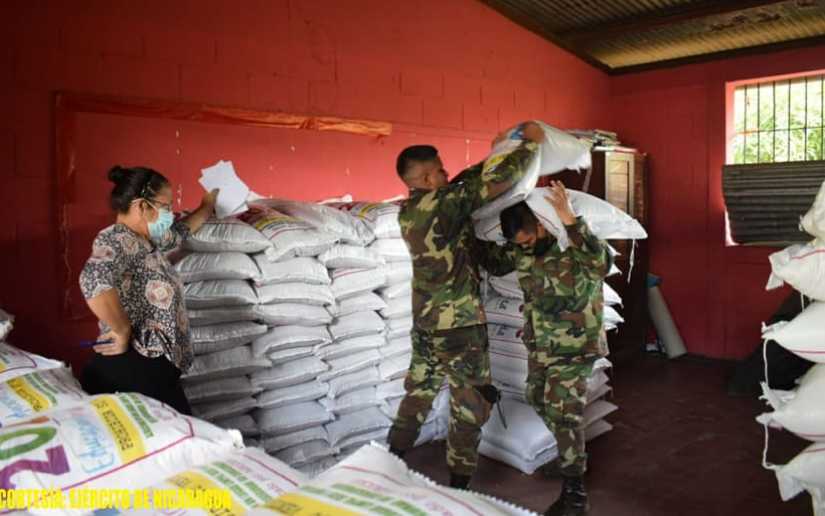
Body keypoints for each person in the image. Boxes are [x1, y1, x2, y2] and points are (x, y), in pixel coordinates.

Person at [387, 121, 545, 490]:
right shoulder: (443, 205)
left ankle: (389, 459)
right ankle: (458, 486)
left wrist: (494, 152)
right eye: (440, 170)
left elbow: (463, 190)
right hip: (459, 326)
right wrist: (528, 147)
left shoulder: (414, 210)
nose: (447, 174)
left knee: (419, 392)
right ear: (428, 178)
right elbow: (495, 183)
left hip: (427, 324)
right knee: (470, 403)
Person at [477, 183, 612, 516]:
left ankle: (575, 495)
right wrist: (464, 227)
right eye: (519, 243)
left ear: (540, 224)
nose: (525, 246)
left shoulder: (573, 245)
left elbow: (601, 264)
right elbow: (494, 263)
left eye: (527, 239)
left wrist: (570, 220)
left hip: (575, 346)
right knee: (537, 397)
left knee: (564, 413)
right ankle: (572, 456)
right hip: (540, 345)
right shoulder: (522, 251)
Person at [79, 165, 218, 415]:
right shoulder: (118, 238)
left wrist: (207, 205)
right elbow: (93, 277)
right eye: (166, 206)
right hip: (136, 365)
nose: (170, 214)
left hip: (155, 367)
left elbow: (181, 232)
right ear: (142, 206)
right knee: (182, 434)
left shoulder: (147, 239)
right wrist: (121, 329)